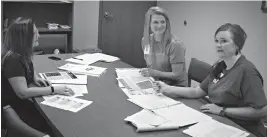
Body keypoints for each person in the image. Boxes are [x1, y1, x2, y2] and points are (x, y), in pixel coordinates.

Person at [154, 23, 267, 137]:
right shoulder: (220, 66)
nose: (218, 45)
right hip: (219, 122)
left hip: (244, 130)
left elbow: (262, 111)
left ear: (237, 45)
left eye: (224, 41)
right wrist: (167, 88)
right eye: (216, 41)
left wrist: (223, 110)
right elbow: (197, 91)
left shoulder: (247, 71)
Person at [1, 17, 74, 133]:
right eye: (35, 33)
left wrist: (35, 78)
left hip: (22, 103)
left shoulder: (23, 53)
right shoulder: (13, 59)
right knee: (56, 125)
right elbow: (22, 92)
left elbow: (28, 71)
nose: (38, 35)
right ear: (23, 37)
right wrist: (53, 89)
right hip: (14, 109)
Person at [140, 6, 188, 87]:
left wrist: (154, 73)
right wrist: (148, 72)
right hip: (157, 83)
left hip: (176, 87)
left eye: (163, 22)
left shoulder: (175, 44)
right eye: (155, 22)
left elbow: (177, 75)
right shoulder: (146, 41)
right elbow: (149, 63)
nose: (160, 25)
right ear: (149, 24)